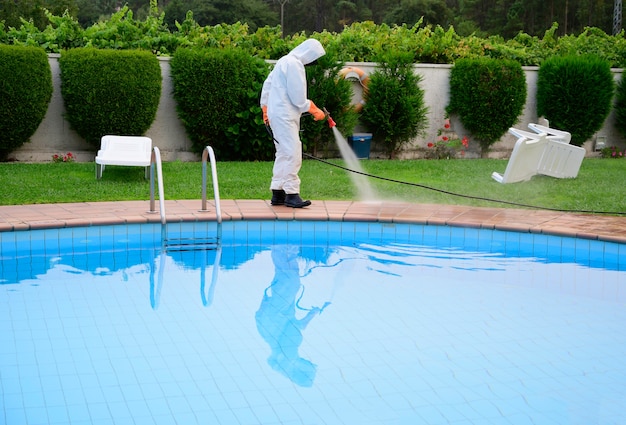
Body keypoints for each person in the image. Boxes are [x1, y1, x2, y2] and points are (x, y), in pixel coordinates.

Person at [260, 38, 327, 208]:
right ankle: (291, 194)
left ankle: (278, 192)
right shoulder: (295, 64)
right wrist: (312, 108)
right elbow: (298, 98)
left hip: (277, 113)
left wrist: (265, 108)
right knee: (293, 151)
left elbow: (267, 85)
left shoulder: (283, 61)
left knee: (283, 152)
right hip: (285, 115)